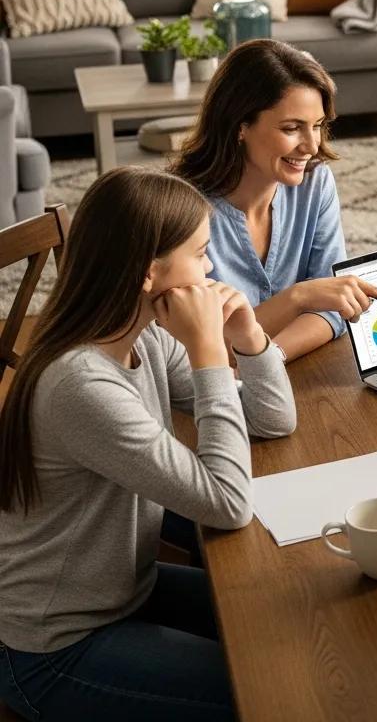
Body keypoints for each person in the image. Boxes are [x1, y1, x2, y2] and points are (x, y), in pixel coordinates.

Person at [0, 167, 296, 720]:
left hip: (128, 587)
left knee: (292, 627)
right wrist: (210, 352)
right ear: (149, 273)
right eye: (201, 254)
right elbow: (228, 504)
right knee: (269, 690)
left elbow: (273, 421)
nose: (211, 271)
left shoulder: (146, 336)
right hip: (57, 645)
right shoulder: (81, 385)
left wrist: (248, 336)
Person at [172, 40, 377, 363]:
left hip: (278, 370)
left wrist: (268, 363)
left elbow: (334, 311)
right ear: (240, 126)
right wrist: (299, 297)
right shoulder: (178, 208)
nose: (312, 146)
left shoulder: (315, 184)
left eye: (317, 126)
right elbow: (196, 344)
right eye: (292, 128)